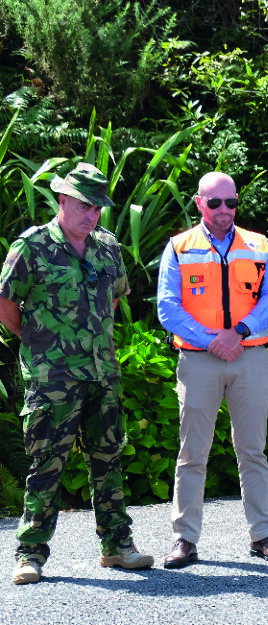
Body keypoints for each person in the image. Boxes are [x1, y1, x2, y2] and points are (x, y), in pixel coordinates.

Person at [0, 163, 153, 584]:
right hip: (52, 380)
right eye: (85, 205)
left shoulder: (107, 248)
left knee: (109, 458)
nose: (92, 215)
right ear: (62, 200)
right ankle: (30, 554)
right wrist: (40, 346)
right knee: (47, 463)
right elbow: (6, 307)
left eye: (98, 207)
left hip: (102, 374)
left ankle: (117, 547)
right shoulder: (31, 247)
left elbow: (114, 301)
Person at [156, 172, 268, 569]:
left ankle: (262, 534)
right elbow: (167, 307)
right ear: (199, 203)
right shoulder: (179, 247)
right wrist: (212, 338)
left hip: (249, 356)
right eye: (215, 204)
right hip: (200, 359)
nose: (224, 211)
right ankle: (185, 539)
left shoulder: (259, 245)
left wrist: (239, 333)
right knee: (192, 453)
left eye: (231, 203)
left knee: (253, 450)